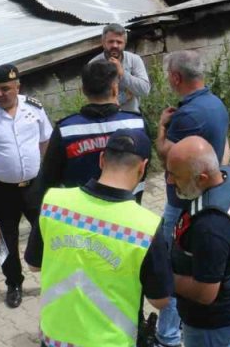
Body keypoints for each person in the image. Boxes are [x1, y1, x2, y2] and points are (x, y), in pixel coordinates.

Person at [30, 130, 172, 347]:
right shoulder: (146, 227)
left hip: (54, 339)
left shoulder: (54, 202)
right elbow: (159, 300)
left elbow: (33, 265)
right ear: (142, 168)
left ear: (101, 159)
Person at [154, 50, 230, 347]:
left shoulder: (186, 115)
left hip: (182, 203)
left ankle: (168, 336)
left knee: (171, 268)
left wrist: (161, 128)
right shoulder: (216, 104)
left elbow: (168, 157)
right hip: (206, 195)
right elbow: (223, 149)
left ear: (176, 77)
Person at [0, 64, 51, 308]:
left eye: (5, 89)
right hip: (1, 191)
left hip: (35, 187)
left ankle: (53, 278)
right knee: (5, 241)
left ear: (17, 87)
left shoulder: (34, 108)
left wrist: (49, 175)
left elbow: (46, 141)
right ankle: (13, 282)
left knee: (47, 233)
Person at [167, 137, 230, 347]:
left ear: (202, 178)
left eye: (175, 175)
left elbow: (205, 293)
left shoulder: (210, 228)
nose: (169, 182)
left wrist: (163, 276)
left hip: (212, 321)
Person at [38, 62, 148, 194]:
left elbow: (50, 178)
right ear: (115, 89)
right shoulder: (137, 123)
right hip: (126, 208)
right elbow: (144, 167)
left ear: (82, 90)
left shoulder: (65, 130)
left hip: (80, 212)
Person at [88, 23, 151, 113]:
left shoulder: (134, 60)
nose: (115, 45)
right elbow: (94, 98)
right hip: (104, 118)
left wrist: (123, 74)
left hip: (131, 118)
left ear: (125, 43)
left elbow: (145, 91)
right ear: (103, 42)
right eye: (111, 41)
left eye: (119, 42)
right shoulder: (94, 64)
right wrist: (125, 96)